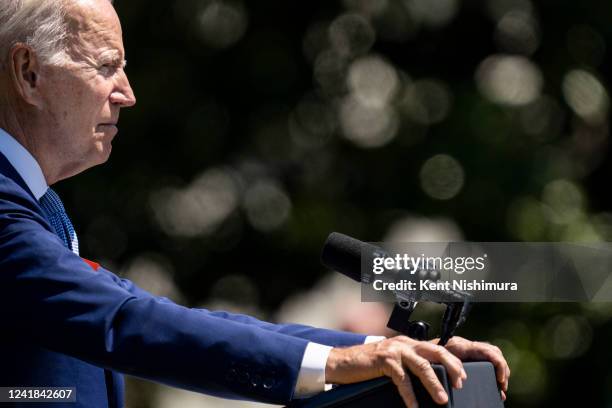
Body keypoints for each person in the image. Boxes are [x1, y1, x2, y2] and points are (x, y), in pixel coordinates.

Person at [0, 1, 510, 407]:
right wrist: (338, 363)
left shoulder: (33, 203)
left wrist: (375, 352)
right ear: (28, 74)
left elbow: (152, 314)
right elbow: (126, 321)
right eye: (106, 66)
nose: (127, 94)